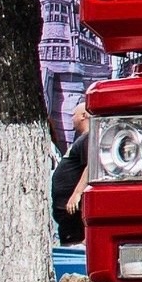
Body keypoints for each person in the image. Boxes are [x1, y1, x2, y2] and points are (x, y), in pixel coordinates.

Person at [51, 99, 89, 246]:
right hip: (66, 212)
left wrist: (77, 194)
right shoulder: (82, 139)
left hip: (73, 210)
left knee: (76, 247)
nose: (71, 118)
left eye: (73, 115)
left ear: (83, 116)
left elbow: (89, 166)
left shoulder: (87, 138)